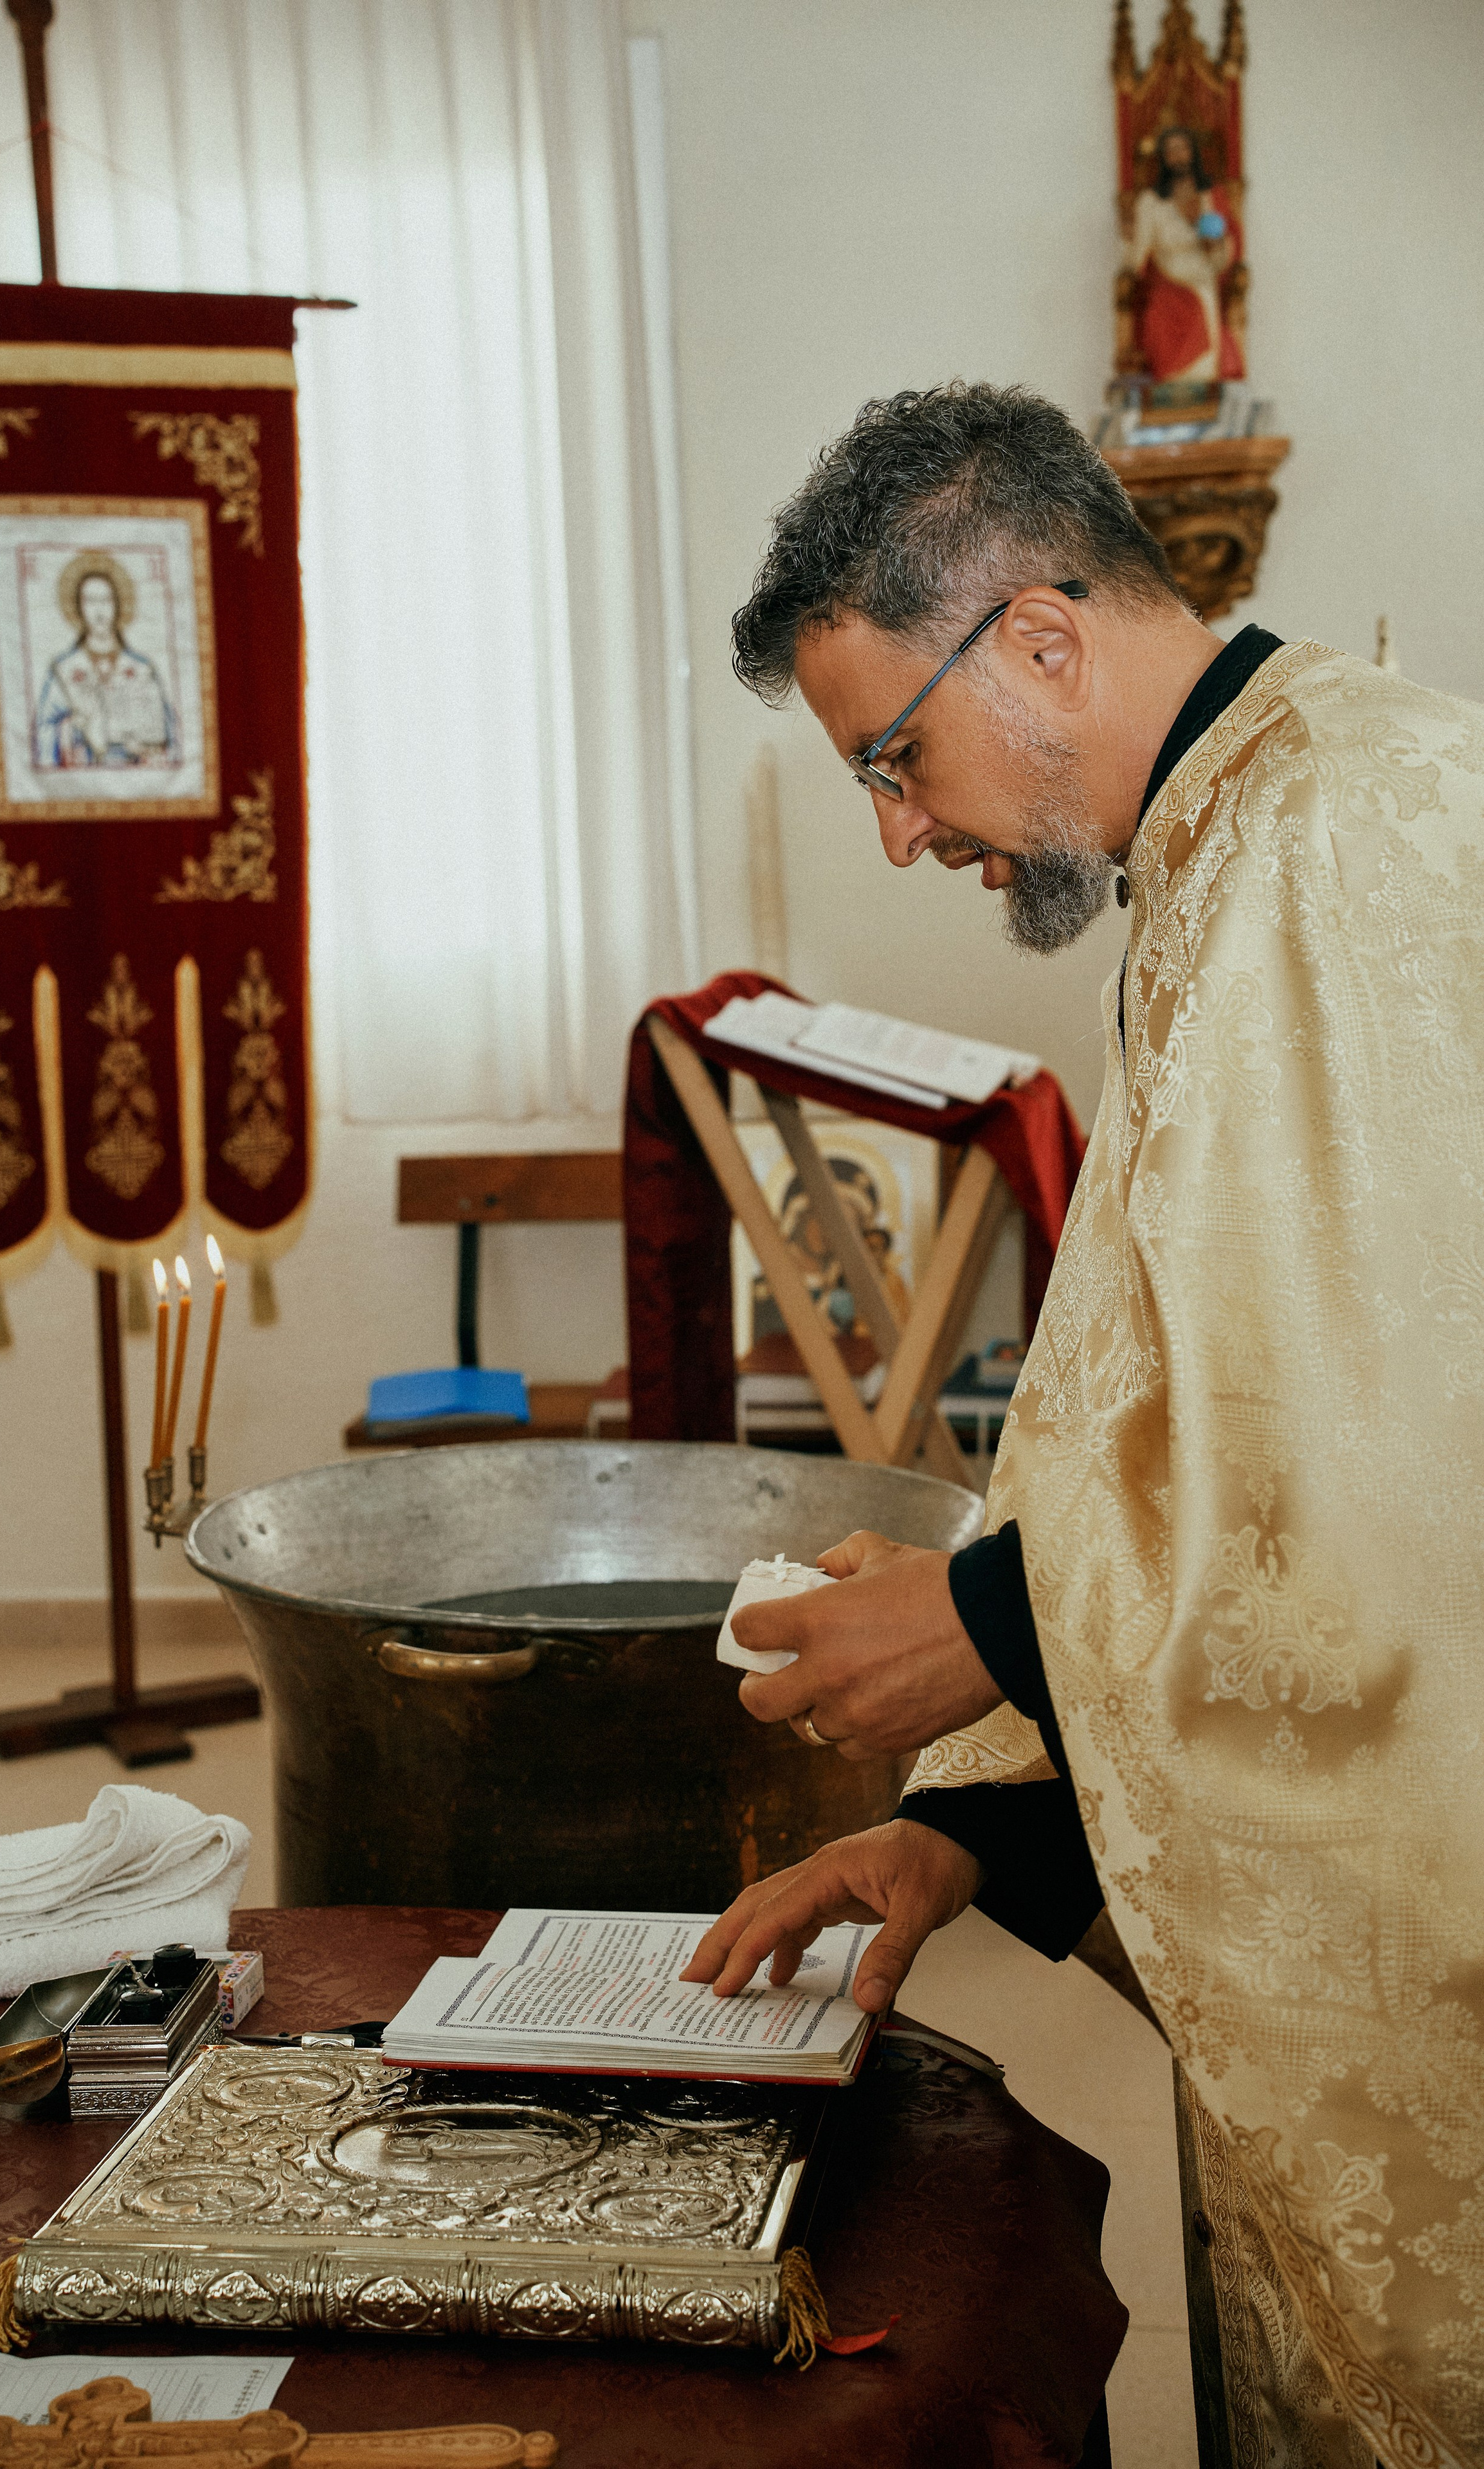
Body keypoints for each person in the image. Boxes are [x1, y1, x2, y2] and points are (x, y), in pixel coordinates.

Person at [683, 383, 1483, 2468]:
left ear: (1037, 639)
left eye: (893, 758)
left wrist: (992, 1628)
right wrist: (981, 1822)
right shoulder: (1233, 838)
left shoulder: (1358, 840)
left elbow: (1416, 1455)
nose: (900, 831)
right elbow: (1213, 1396)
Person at [1123, 125, 1244, 387]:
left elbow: (1230, 247)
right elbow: (1137, 256)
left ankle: (1206, 396)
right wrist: (1130, 252)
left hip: (1205, 280)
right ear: (1163, 159)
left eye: (1183, 149)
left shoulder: (1211, 195)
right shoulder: (1151, 202)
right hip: (1168, 283)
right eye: (1171, 151)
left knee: (1208, 308)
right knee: (1158, 316)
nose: (1178, 156)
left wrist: (1215, 246)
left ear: (1193, 153)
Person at [35, 555, 177, 770]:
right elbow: (44, 730)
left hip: (137, 779)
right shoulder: (64, 669)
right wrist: (71, 729)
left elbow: (169, 735)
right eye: (90, 601)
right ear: (78, 607)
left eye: (106, 600)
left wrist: (149, 747)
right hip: (81, 781)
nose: (99, 610)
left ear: (118, 604)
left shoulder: (142, 668)